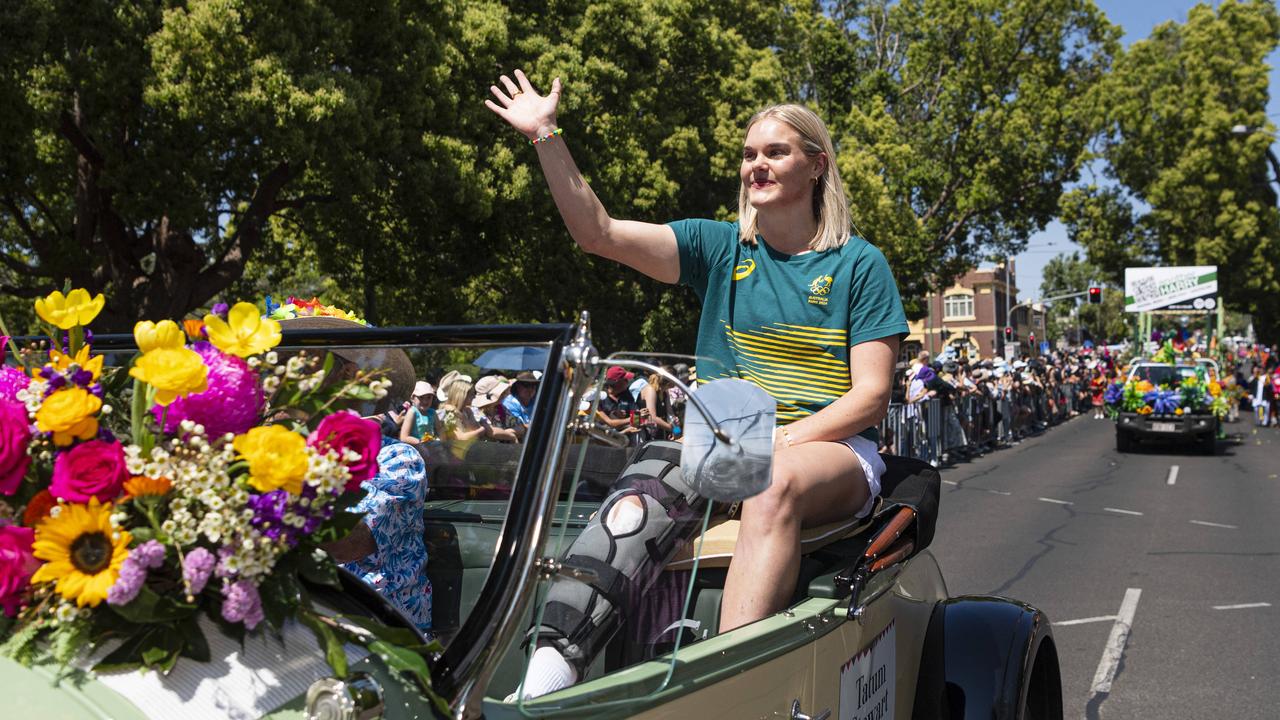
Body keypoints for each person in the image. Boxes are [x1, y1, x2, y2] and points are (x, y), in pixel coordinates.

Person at [487, 70, 907, 698]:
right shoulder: (718, 248)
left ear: (817, 165)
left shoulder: (859, 264)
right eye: (748, 155)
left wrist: (782, 442)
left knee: (772, 485)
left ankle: (725, 688)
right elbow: (596, 233)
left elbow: (871, 396)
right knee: (630, 508)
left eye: (775, 153)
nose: (755, 166)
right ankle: (545, 682)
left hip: (831, 448)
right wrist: (546, 135)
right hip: (723, 442)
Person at [472, 374, 521, 442]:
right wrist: (511, 436)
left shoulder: (501, 408)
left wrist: (506, 432)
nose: (504, 394)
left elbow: (520, 427)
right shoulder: (476, 411)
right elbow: (491, 432)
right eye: (501, 393)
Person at [399, 380, 440, 444]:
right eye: (421, 397)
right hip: (416, 446)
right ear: (412, 398)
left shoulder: (432, 412)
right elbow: (404, 437)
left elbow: (440, 430)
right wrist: (421, 442)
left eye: (429, 397)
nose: (425, 401)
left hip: (430, 445)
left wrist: (441, 442)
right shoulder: (412, 412)